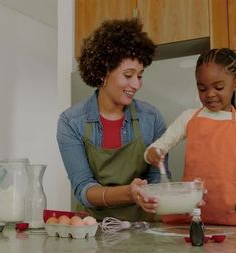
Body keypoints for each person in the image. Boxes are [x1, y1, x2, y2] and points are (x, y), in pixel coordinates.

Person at [145, 48, 236, 225]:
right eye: (202, 88)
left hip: (232, 214)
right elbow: (157, 147)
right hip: (191, 215)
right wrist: (153, 153)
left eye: (219, 87)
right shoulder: (188, 117)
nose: (209, 94)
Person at [56, 19, 168, 221]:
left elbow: (159, 178)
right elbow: (83, 187)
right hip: (92, 231)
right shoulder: (71, 122)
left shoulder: (152, 118)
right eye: (128, 75)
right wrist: (129, 192)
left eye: (140, 75)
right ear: (102, 73)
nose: (136, 84)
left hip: (144, 230)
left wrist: (180, 199)